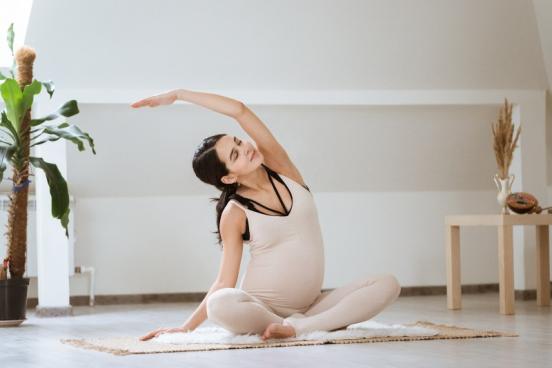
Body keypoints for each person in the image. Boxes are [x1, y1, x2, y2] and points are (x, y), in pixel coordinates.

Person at [132, 89, 401, 341]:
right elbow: (225, 280)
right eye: (236, 154)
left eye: (239, 141)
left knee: (387, 284)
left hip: (311, 306)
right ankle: (305, 325)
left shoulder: (284, 170)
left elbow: (239, 110)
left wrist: (179, 94)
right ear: (229, 177)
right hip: (259, 308)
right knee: (220, 303)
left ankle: (299, 327)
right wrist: (186, 328)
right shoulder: (234, 213)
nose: (247, 148)